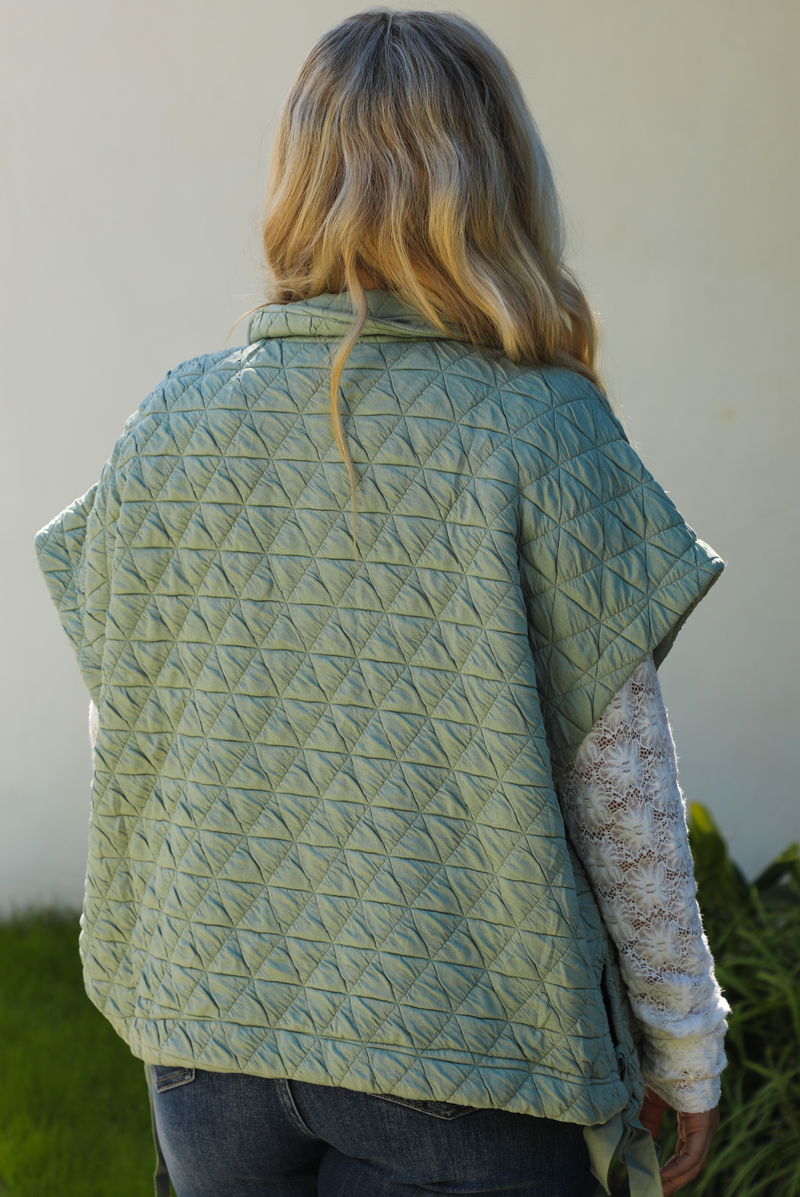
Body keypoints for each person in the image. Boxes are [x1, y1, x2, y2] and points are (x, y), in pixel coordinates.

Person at [35, 10, 728, 1196]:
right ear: (498, 177)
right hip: (463, 1050)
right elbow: (623, 794)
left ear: (300, 178)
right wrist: (686, 1048)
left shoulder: (176, 418)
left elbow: (130, 718)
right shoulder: (539, 429)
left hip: (208, 1047)